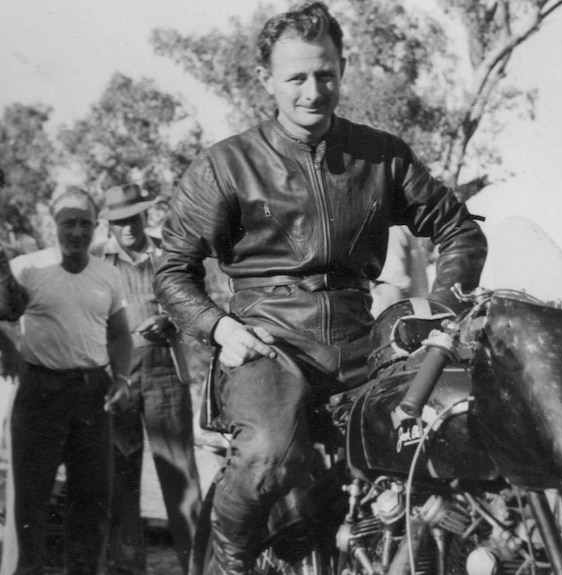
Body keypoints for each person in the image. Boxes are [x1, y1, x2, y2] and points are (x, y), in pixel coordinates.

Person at [153, 3, 487, 573]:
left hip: (366, 342)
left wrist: (441, 308)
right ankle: (225, 561)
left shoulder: (382, 155)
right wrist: (221, 327)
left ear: (343, 67)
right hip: (266, 342)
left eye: (326, 74)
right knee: (266, 453)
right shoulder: (225, 165)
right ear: (266, 81)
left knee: (459, 424)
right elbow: (171, 269)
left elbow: (459, 231)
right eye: (297, 78)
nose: (314, 91)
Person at [0, 188, 133, 575]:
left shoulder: (107, 274)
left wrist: (122, 377)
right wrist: (6, 346)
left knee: (92, 502)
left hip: (93, 394)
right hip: (40, 391)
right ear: (52, 225)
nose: (77, 231)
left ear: (96, 226)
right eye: (68, 223)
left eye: (85, 224)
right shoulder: (27, 267)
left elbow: (120, 334)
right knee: (27, 504)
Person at [92, 184, 202, 575]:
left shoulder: (167, 251)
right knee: (119, 474)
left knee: (179, 471)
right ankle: (127, 566)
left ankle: (196, 565)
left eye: (133, 218)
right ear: (109, 223)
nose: (127, 227)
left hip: (165, 369)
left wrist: (169, 320)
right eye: (118, 221)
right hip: (116, 372)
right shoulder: (95, 259)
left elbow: (194, 302)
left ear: (144, 216)